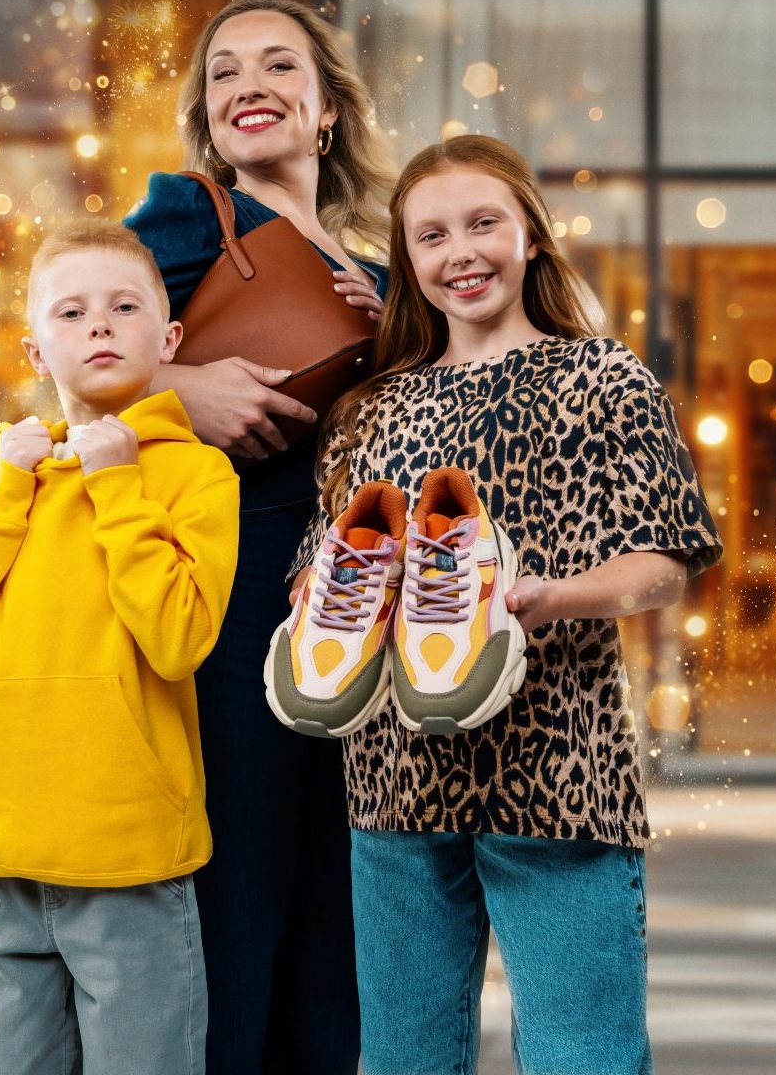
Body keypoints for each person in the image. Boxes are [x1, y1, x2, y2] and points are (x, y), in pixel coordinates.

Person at [293, 134, 722, 1075]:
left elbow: (664, 559)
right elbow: (317, 565)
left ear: (530, 232)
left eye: (484, 223)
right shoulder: (372, 409)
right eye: (432, 236)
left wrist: (553, 597)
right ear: (408, 261)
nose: (462, 254)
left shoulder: (603, 378)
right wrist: (345, 597)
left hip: (560, 770)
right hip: (394, 778)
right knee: (404, 1060)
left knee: (584, 1058)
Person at [0, 218, 239, 1075]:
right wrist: (6, 494)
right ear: (36, 350)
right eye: (71, 312)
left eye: (124, 307)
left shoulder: (195, 476)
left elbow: (179, 638)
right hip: (8, 850)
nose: (99, 326)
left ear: (168, 339)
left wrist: (117, 486)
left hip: (128, 857)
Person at [124, 0, 394, 1075]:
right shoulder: (189, 218)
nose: (249, 86)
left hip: (358, 596)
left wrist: (401, 337)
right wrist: (180, 390)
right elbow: (59, 360)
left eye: (278, 66)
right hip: (234, 589)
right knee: (238, 893)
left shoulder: (386, 262)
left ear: (327, 106)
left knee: (340, 906)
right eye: (224, 72)